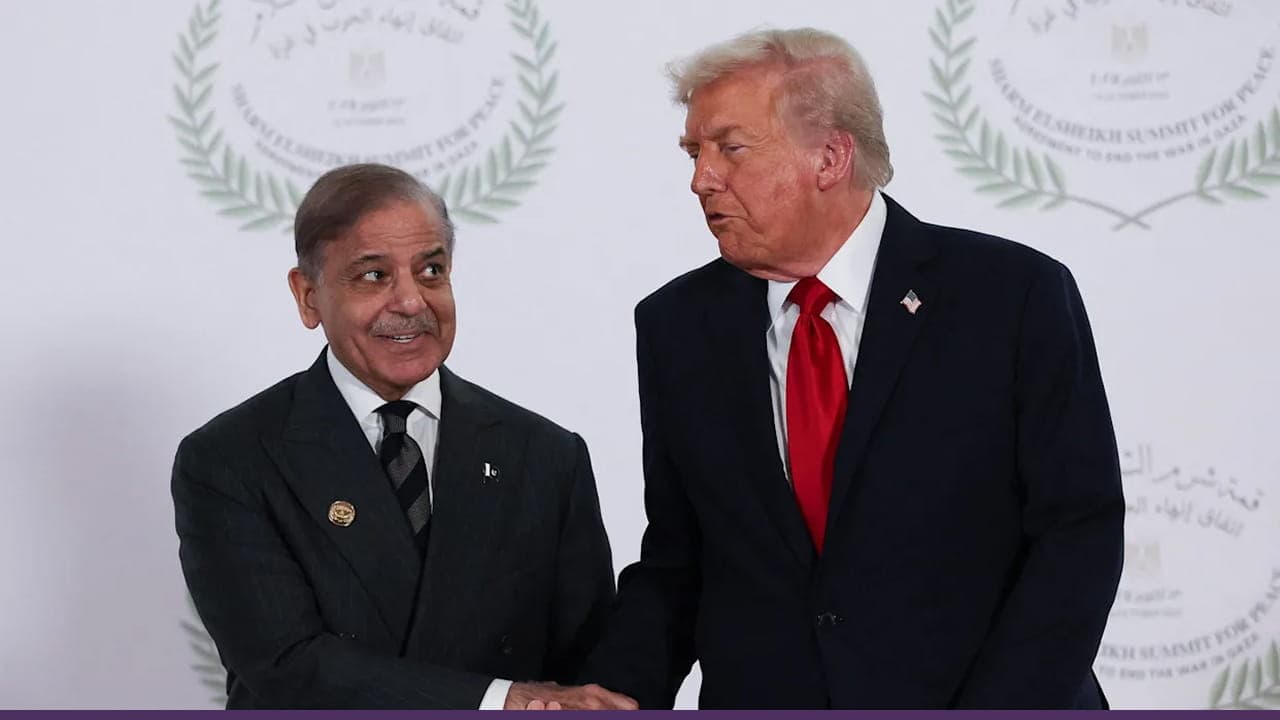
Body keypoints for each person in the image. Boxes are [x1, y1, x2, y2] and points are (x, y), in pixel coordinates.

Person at [579, 28, 1125, 709]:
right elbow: (680, 562)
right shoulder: (677, 325)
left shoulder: (1011, 296)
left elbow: (1077, 534)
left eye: (730, 148)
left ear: (831, 157)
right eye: (695, 152)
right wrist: (614, 694)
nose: (701, 179)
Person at [171, 163, 633, 710]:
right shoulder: (231, 460)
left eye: (431, 270)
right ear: (308, 296)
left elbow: (584, 666)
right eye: (374, 275)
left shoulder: (545, 455)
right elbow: (286, 662)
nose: (412, 302)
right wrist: (498, 702)